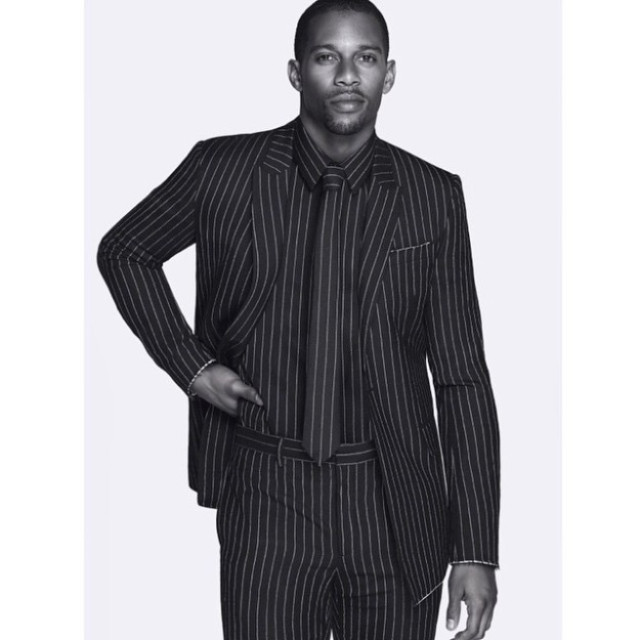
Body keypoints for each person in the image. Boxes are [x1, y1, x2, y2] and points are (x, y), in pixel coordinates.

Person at [97, 1, 501, 638]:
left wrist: (475, 548)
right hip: (268, 491)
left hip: (393, 499)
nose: (347, 75)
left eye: (366, 58)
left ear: (390, 74)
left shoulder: (433, 195)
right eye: (326, 57)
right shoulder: (223, 171)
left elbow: (461, 377)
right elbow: (126, 251)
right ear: (295, 72)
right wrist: (193, 368)